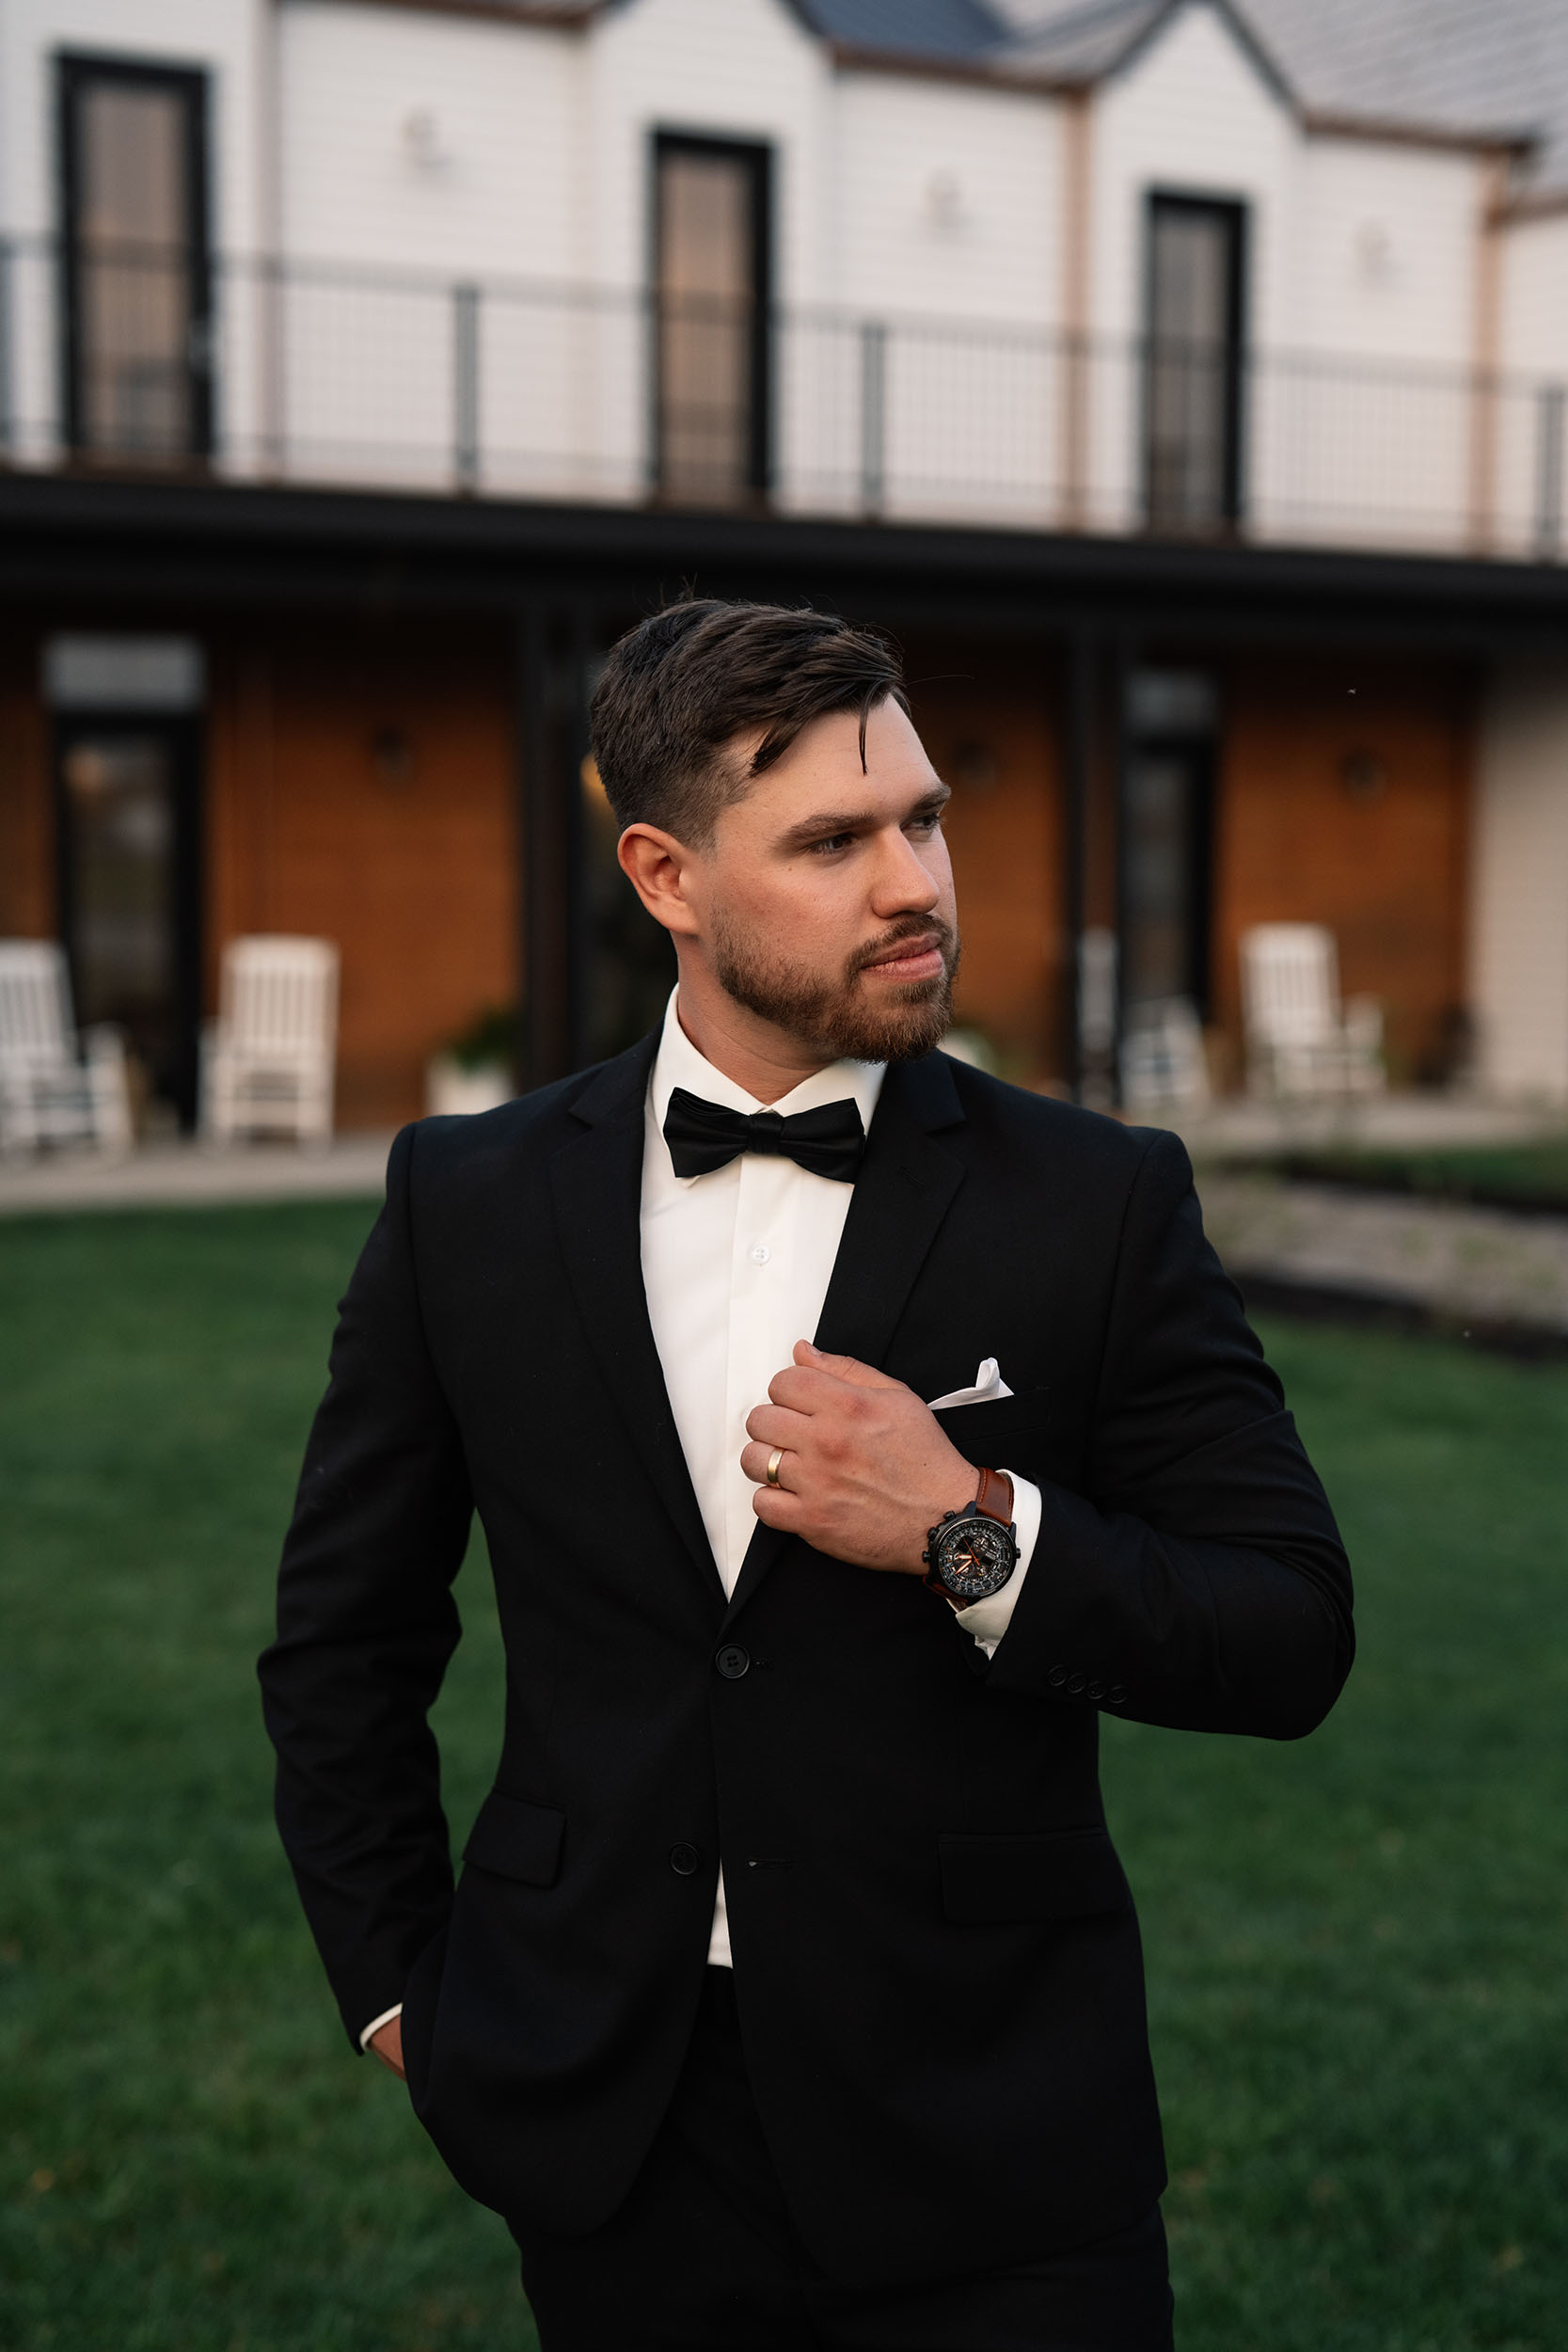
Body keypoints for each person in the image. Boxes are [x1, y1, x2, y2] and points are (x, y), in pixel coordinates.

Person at [259, 599, 1353, 2350]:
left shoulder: (1097, 1200)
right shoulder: (467, 1203)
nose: (913, 880)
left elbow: (1291, 1633)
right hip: (610, 2120)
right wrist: (404, 1991)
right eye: (833, 841)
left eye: (923, 818)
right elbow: (344, 1643)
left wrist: (962, 1531)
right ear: (664, 874)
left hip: (994, 2126)